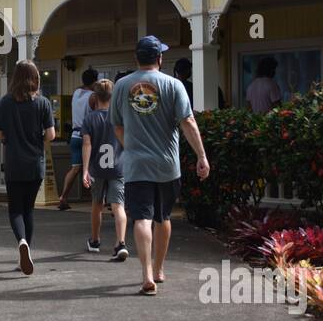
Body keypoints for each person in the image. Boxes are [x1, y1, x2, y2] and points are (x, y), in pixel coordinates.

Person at [112, 36, 211, 295]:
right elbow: (187, 122)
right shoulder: (174, 85)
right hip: (167, 164)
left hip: (136, 166)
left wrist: (131, 146)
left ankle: (146, 274)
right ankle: (158, 268)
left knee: (141, 218)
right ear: (159, 58)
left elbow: (118, 126)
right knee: (162, 217)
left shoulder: (122, 86)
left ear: (136, 58)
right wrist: (201, 155)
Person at [0, 60, 56, 276]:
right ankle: (26, 249)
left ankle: (21, 242)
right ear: (36, 78)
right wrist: (37, 140)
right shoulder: (43, 103)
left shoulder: (5, 103)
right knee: (29, 209)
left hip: (13, 163)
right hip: (35, 163)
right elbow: (51, 135)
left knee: (15, 210)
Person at [80, 78, 128, 261]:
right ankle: (121, 242)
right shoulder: (120, 117)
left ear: (95, 96)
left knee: (97, 205)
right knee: (118, 206)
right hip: (118, 167)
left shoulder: (90, 119)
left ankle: (95, 240)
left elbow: (86, 144)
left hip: (98, 169)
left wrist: (85, 170)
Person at [57, 68, 98, 210]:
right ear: (95, 81)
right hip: (88, 137)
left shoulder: (76, 93)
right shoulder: (93, 96)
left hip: (74, 136)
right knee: (94, 168)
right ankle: (98, 200)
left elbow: (81, 87)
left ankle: (63, 197)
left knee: (75, 169)